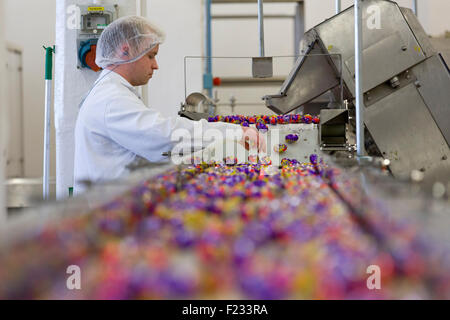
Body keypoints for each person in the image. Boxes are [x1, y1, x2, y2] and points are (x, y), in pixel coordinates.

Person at [74, 16, 265, 194]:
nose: (155, 65)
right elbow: (165, 136)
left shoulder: (112, 91)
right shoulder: (111, 99)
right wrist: (234, 132)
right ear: (126, 50)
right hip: (109, 212)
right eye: (150, 56)